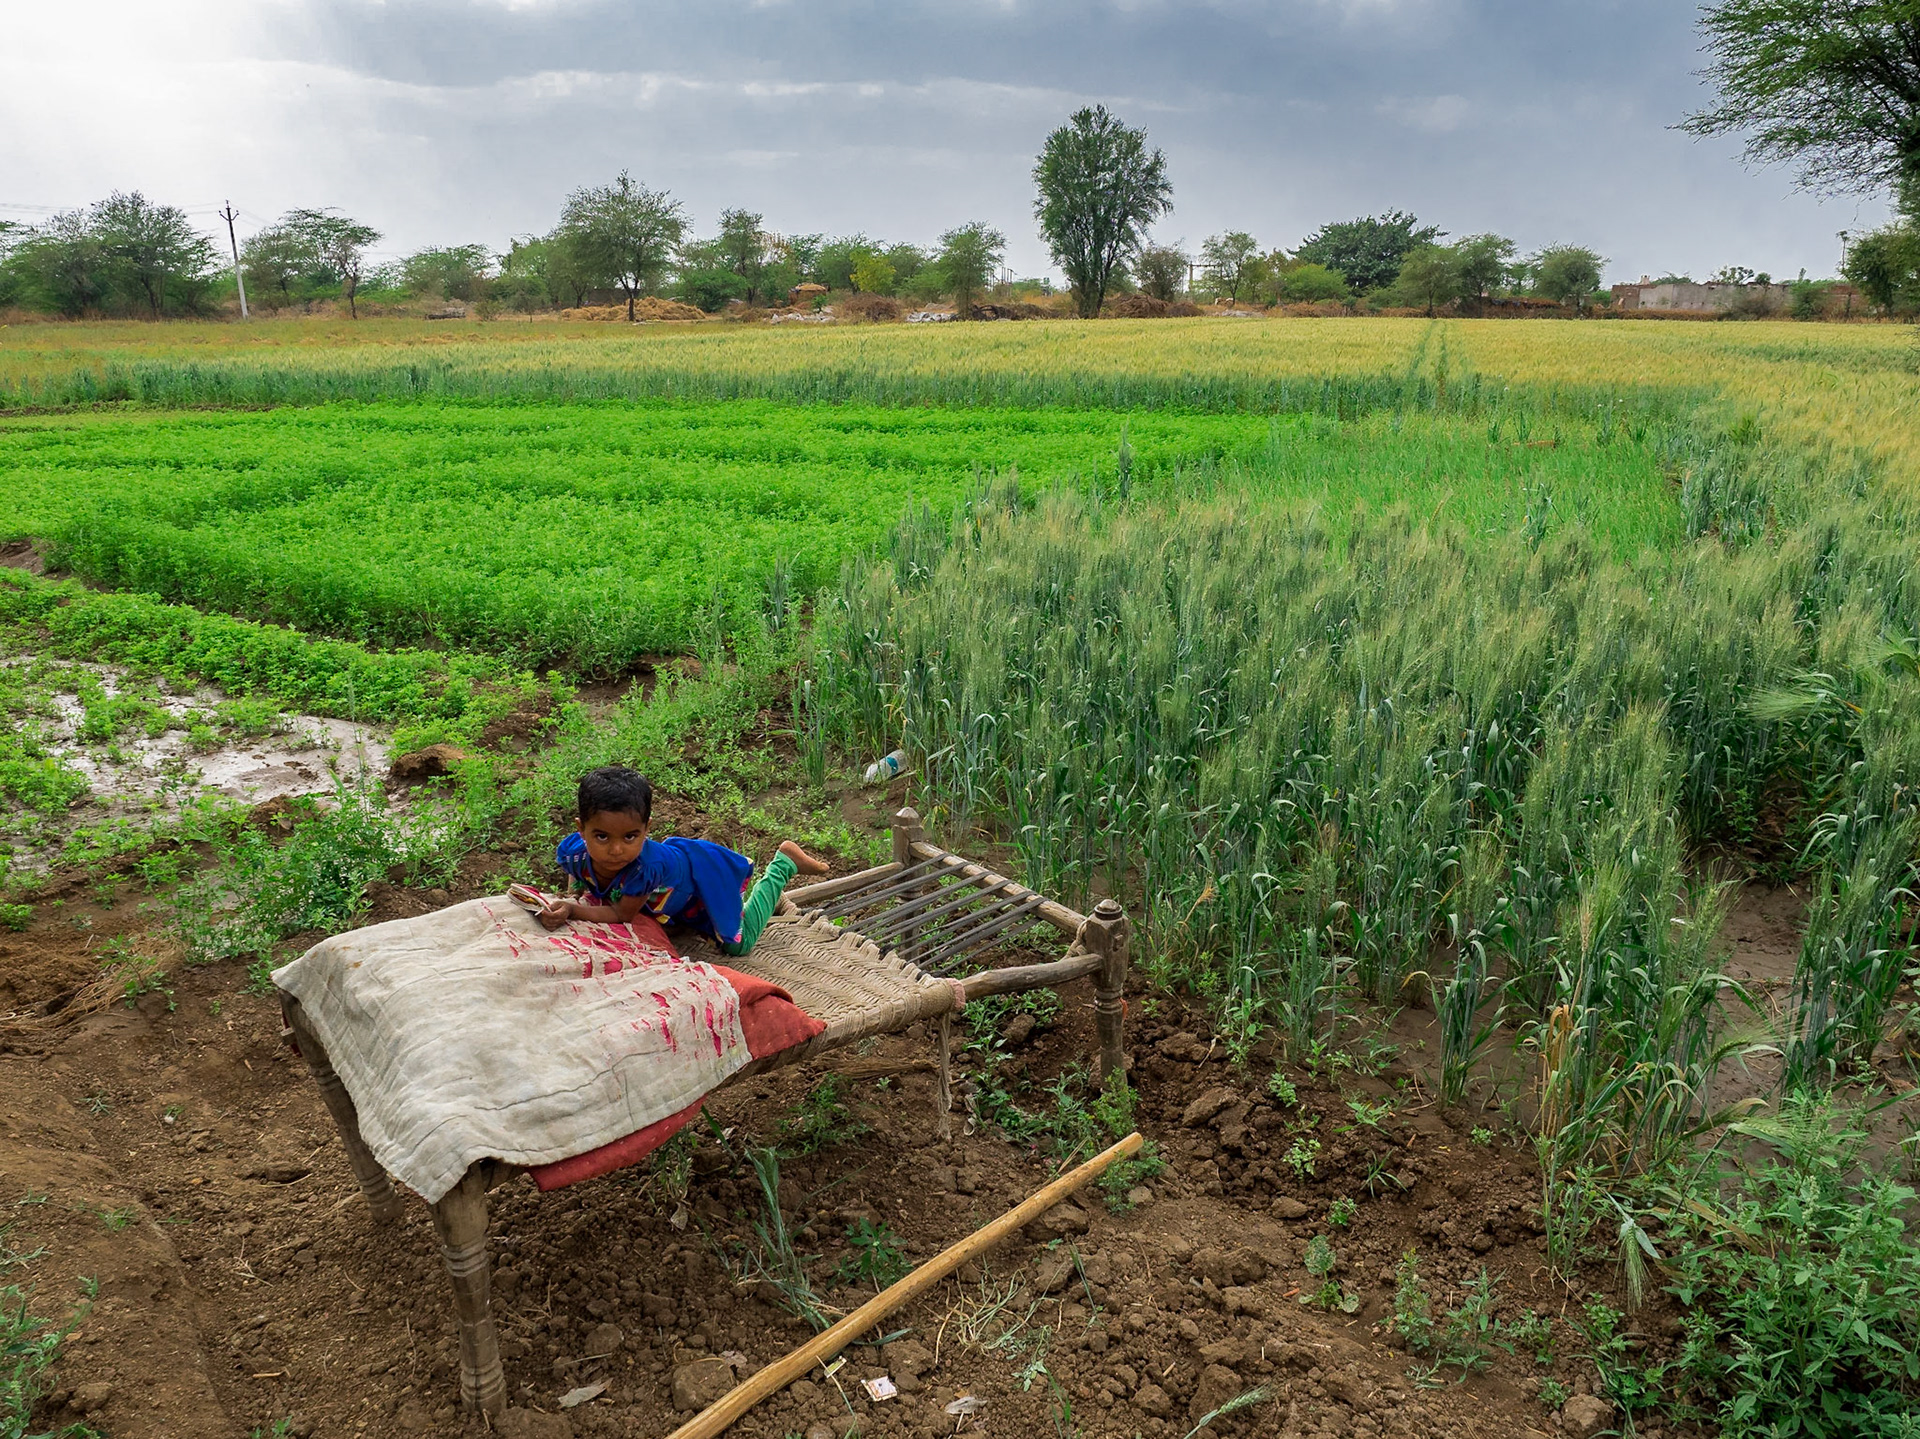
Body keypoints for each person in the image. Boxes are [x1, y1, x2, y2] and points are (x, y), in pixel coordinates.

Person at [536, 765, 828, 956]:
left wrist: (573, 909)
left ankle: (783, 865)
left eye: (629, 837)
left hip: (698, 884)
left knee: (739, 943)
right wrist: (573, 891)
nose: (615, 851)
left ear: (646, 830)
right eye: (601, 837)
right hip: (667, 894)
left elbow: (621, 914)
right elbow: (574, 869)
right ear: (581, 830)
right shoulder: (573, 851)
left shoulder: (644, 868)